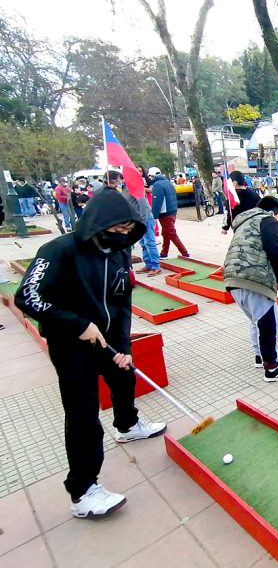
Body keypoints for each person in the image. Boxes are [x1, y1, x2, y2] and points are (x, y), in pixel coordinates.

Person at [14, 189, 166, 518]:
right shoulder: (59, 250)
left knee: (124, 378)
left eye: (129, 230)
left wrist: (123, 347)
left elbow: (121, 303)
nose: (123, 235)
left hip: (107, 340)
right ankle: (82, 491)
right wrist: (77, 323)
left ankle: (127, 426)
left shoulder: (119, 254)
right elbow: (26, 296)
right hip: (70, 345)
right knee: (83, 412)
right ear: (100, 223)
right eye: (118, 228)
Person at [223, 195, 278, 381]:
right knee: (269, 325)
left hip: (233, 278)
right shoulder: (268, 220)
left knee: (256, 321)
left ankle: (261, 356)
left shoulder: (245, 222)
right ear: (274, 212)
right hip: (254, 279)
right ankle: (273, 368)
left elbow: (257, 251)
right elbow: (275, 251)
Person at [105, 171, 162, 277]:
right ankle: (148, 264)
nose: (114, 184)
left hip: (144, 219)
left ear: (118, 179)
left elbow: (143, 204)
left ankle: (155, 266)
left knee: (149, 242)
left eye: (114, 182)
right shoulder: (123, 188)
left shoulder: (132, 186)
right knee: (143, 243)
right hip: (135, 220)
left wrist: (143, 221)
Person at [148, 167, 190, 259]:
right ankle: (164, 253)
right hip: (172, 210)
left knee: (171, 233)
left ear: (152, 176)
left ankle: (184, 252)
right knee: (166, 233)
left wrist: (154, 215)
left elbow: (157, 201)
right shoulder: (167, 182)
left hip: (164, 212)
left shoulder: (157, 185)